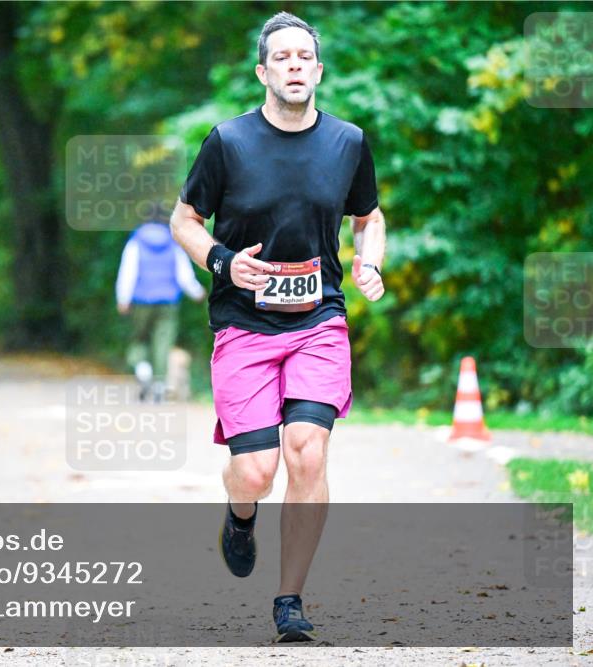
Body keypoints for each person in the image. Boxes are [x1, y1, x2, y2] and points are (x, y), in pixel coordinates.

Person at [170, 12, 387, 642]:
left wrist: (369, 261)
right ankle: (240, 517)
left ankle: (289, 600)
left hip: (319, 319)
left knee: (308, 450)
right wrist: (222, 261)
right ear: (264, 72)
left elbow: (370, 217)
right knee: (258, 471)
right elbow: (184, 220)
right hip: (244, 325)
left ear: (317, 70)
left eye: (304, 56)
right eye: (282, 57)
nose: (294, 65)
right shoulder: (228, 142)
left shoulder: (347, 141)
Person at [116, 206, 206, 402]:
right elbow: (184, 275)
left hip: (141, 300)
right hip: (168, 302)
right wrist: (198, 292)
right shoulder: (173, 242)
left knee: (138, 340)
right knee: (163, 342)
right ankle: (158, 384)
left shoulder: (136, 241)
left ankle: (143, 371)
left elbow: (128, 272)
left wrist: (123, 299)